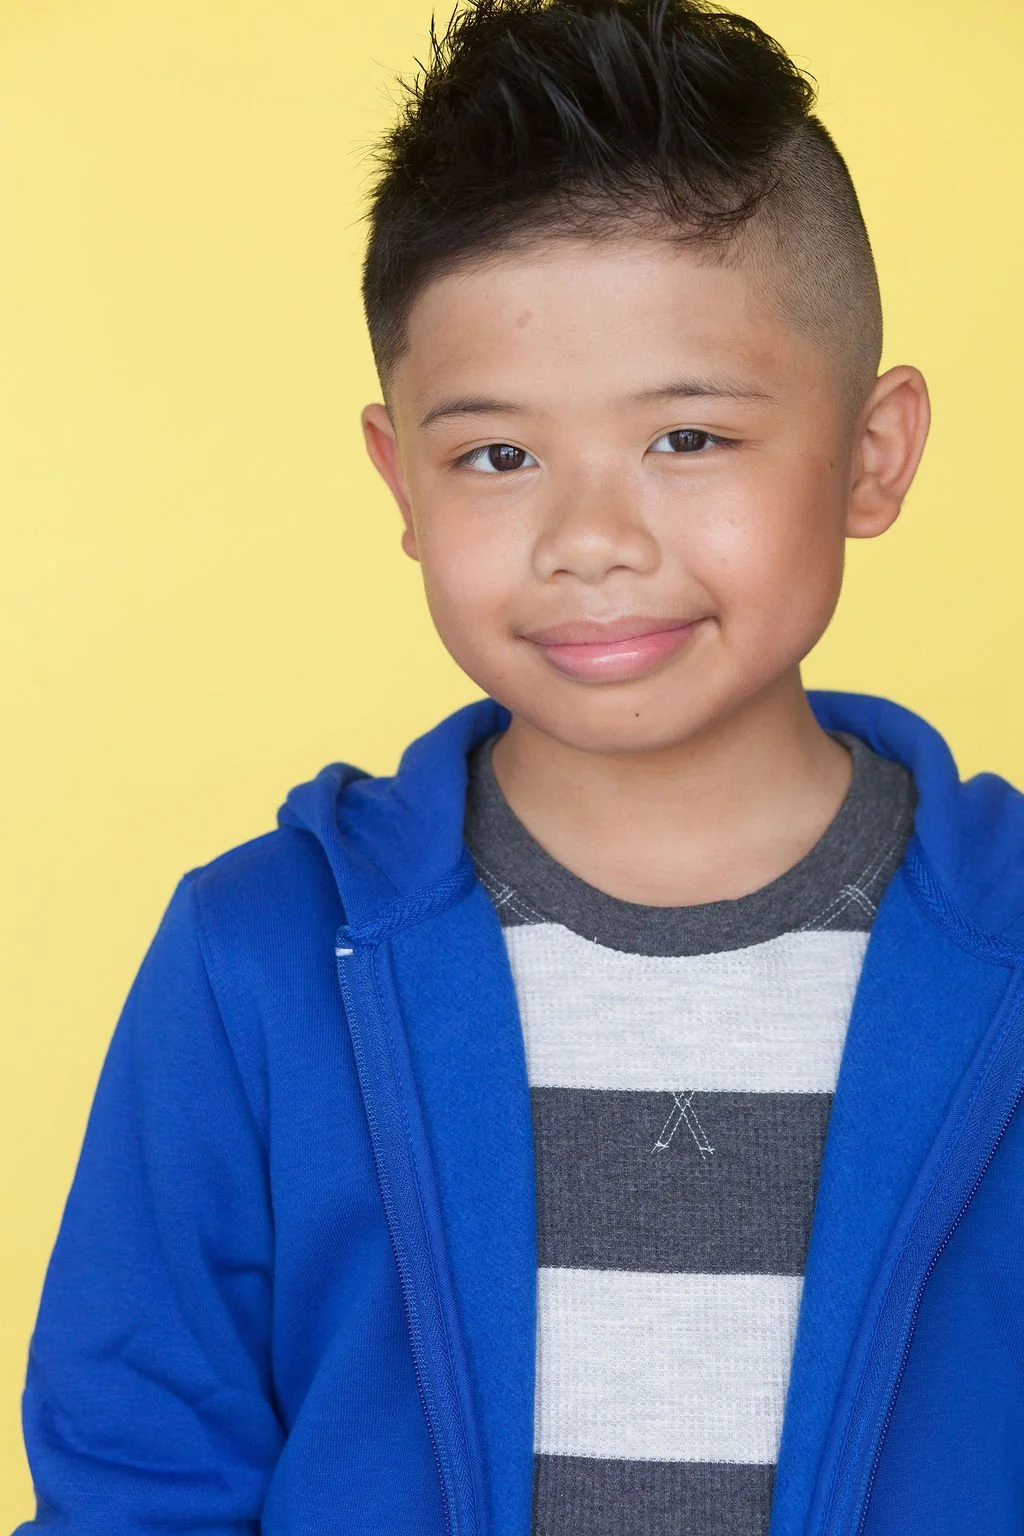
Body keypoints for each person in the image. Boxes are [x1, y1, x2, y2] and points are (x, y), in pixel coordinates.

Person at [13, 1, 1024, 1533]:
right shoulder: (259, 956)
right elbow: (138, 1481)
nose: (589, 540)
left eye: (688, 438)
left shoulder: (1007, 945)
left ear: (874, 454)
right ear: (398, 477)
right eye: (497, 456)